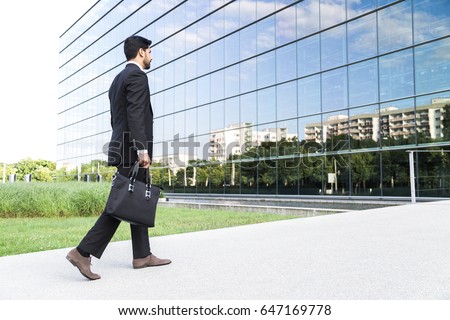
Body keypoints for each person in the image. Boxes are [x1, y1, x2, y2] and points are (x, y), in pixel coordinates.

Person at [66, 35, 171, 280]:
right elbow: (135, 114)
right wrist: (142, 150)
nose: (152, 56)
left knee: (134, 199)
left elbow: (117, 118)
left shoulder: (117, 79)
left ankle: (142, 255)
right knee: (121, 202)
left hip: (123, 147)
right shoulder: (137, 76)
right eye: (150, 52)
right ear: (142, 52)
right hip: (133, 150)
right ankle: (82, 252)